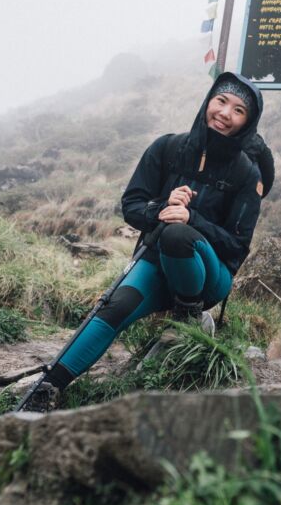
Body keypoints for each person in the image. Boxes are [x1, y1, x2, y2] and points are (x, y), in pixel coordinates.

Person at [41, 72, 266, 397]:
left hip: (210, 278)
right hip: (156, 262)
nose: (225, 113)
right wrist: (160, 209)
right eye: (221, 101)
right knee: (113, 308)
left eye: (239, 110)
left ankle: (189, 314)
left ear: (247, 122)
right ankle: (49, 387)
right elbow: (131, 204)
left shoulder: (246, 174)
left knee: (177, 235)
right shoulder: (167, 148)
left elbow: (237, 246)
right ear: (208, 102)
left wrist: (192, 218)